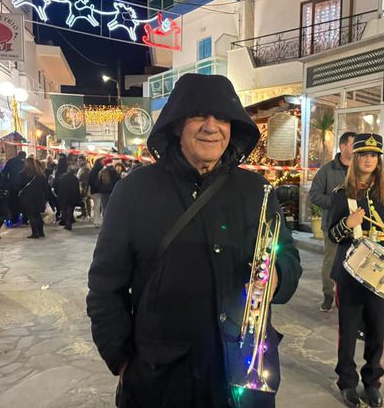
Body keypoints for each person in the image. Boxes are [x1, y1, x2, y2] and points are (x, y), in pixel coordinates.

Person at [86, 74, 302, 408]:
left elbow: (288, 256)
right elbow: (105, 287)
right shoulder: (134, 192)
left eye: (223, 117)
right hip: (162, 381)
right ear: (176, 125)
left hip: (243, 374)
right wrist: (124, 361)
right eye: (199, 115)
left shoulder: (257, 190)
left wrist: (278, 275)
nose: (211, 127)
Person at [327, 133, 384, 408]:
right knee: (348, 330)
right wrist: (348, 223)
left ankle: (372, 382)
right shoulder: (342, 193)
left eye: (374, 155)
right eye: (363, 155)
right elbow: (332, 235)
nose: (368, 159)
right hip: (350, 270)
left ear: (379, 159)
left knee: (377, 330)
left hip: (382, 271)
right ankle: (347, 382)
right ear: (355, 158)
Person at [309, 131, 356, 312]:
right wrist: (336, 202)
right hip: (333, 226)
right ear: (343, 146)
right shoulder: (327, 170)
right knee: (331, 261)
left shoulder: (360, 170)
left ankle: (348, 297)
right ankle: (328, 295)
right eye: (353, 145)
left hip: (357, 227)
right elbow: (314, 195)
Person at [19, 157, 50, 238]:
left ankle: (35, 233)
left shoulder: (24, 174)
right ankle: (41, 232)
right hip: (40, 198)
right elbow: (46, 187)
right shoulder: (40, 174)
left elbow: (19, 185)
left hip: (28, 198)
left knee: (31, 215)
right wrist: (46, 197)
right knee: (37, 215)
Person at [2, 150, 26, 225]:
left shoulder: (11, 161)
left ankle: (14, 219)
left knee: (14, 203)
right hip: (23, 186)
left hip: (13, 185)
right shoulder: (25, 162)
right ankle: (24, 219)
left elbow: (4, 173)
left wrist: (7, 183)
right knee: (23, 202)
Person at [55, 165, 81, 231]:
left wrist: (58, 195)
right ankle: (68, 222)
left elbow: (59, 187)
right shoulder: (75, 179)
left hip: (64, 196)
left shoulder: (63, 177)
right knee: (70, 210)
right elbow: (77, 189)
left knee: (64, 210)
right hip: (72, 197)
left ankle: (66, 222)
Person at [89, 157, 105, 227]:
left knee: (97, 206)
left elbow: (89, 181)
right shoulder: (102, 171)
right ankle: (100, 221)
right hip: (101, 190)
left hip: (94, 191)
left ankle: (96, 221)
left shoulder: (92, 170)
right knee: (102, 206)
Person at [76, 154, 92, 219]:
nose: (78, 162)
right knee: (83, 200)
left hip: (85, 186)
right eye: (78, 161)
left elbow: (86, 179)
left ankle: (88, 214)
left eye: (80, 160)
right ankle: (84, 213)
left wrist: (85, 188)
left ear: (84, 161)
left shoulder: (86, 168)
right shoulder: (81, 168)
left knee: (86, 200)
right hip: (81, 186)